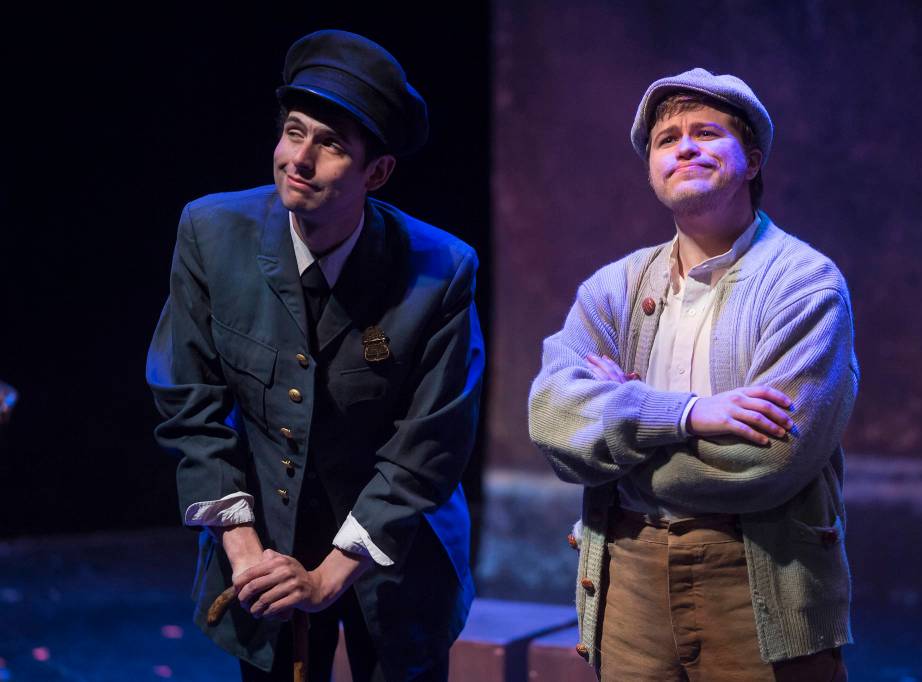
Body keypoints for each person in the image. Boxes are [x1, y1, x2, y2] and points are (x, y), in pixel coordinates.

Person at [146, 30, 484, 682]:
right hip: (263, 543)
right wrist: (244, 553)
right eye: (293, 132)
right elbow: (192, 410)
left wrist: (330, 576)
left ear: (376, 173)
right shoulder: (212, 235)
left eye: (329, 144)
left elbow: (428, 449)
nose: (298, 159)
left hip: (395, 552)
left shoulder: (440, 273)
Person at [528, 68, 858, 680]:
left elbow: (770, 460)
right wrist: (682, 414)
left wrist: (621, 424)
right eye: (666, 138)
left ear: (752, 161)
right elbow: (552, 420)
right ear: (652, 169)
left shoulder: (804, 284)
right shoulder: (614, 288)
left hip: (755, 570)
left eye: (706, 132)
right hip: (629, 572)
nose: (683, 146)